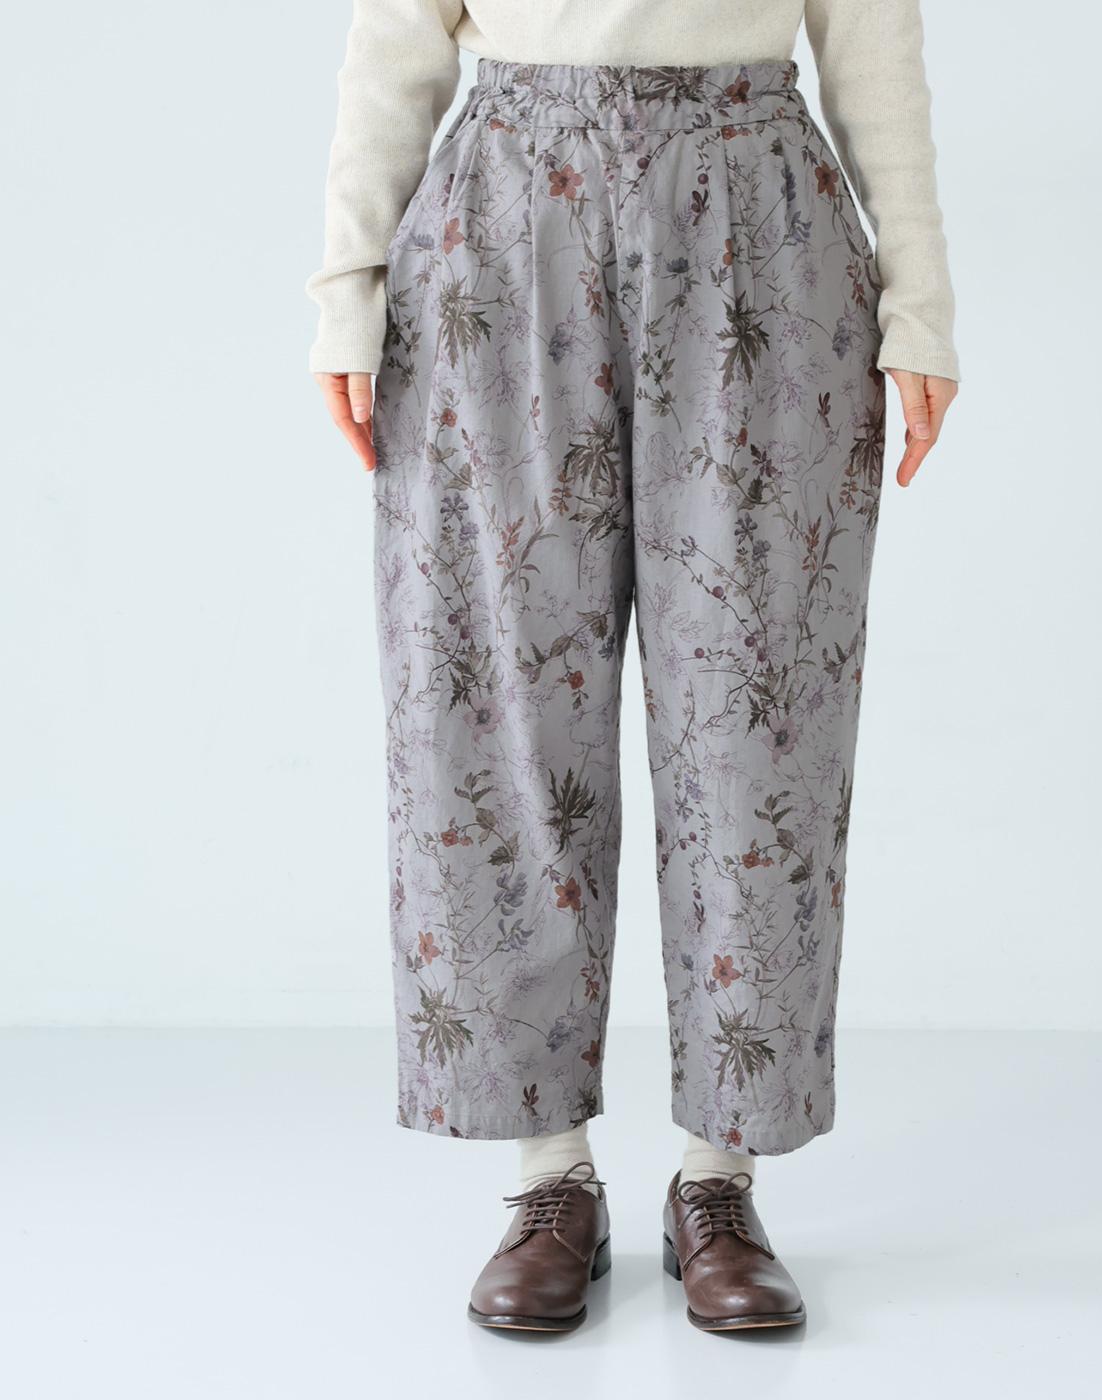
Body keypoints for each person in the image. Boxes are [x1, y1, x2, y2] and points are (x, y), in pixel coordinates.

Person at [307, 0, 959, 1334]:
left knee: (761, 715)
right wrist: (346, 286)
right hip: (505, 218)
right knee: (499, 706)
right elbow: (398, 32)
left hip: (759, 211)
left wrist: (921, 305)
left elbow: (871, 33)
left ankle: (721, 1179)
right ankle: (548, 1180)